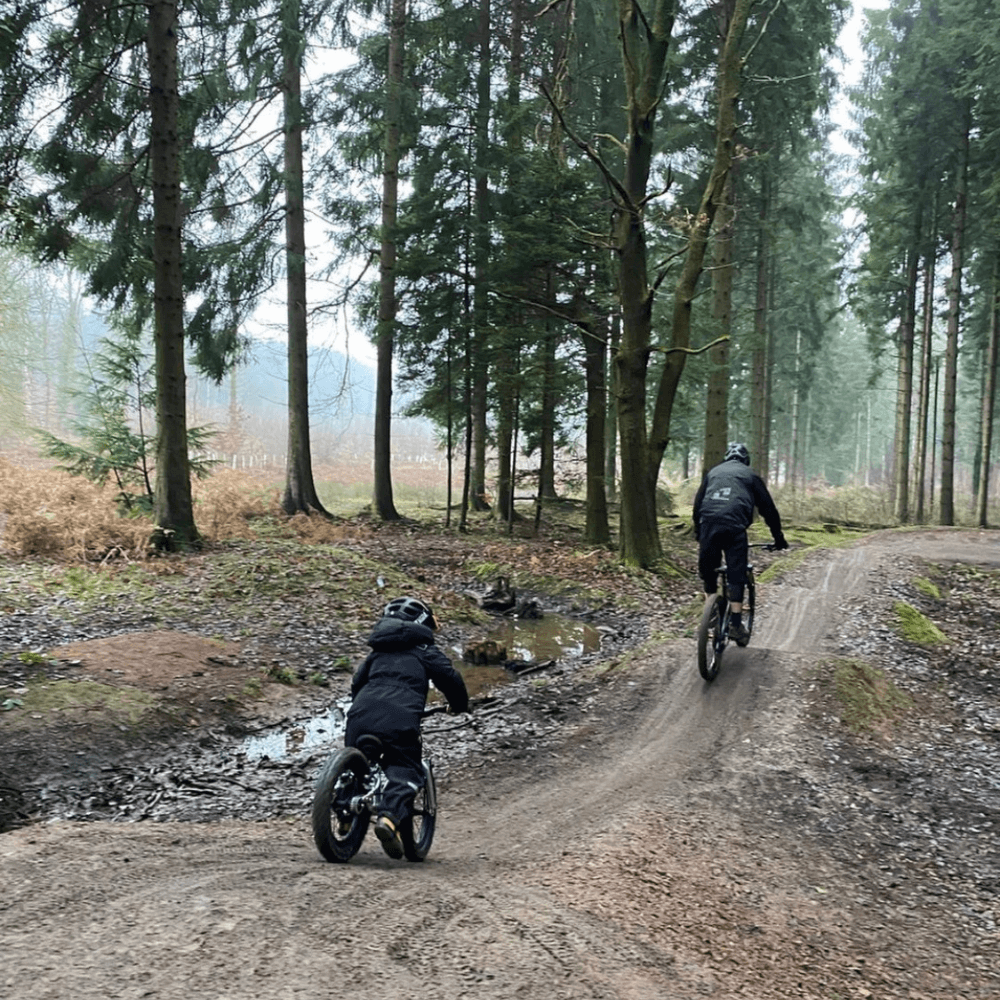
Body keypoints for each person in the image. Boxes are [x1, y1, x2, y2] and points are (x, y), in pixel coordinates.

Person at [344, 595, 469, 859]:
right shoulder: (424, 651)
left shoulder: (376, 653)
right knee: (407, 769)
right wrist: (459, 704)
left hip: (360, 716)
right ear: (423, 624)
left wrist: (364, 706)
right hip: (399, 719)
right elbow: (451, 679)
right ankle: (388, 818)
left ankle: (343, 812)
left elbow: (356, 685)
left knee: (357, 768)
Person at [692, 442, 788, 646]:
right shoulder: (750, 475)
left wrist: (698, 532)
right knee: (737, 573)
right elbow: (768, 509)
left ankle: (711, 613)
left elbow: (698, 504)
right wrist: (778, 538)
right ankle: (736, 624)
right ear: (746, 460)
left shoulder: (713, 472)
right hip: (734, 527)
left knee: (709, 572)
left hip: (708, 524)